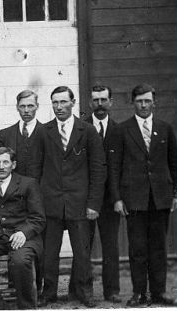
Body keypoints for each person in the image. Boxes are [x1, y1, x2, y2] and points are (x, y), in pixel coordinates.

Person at [31, 86, 105, 307]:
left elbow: (98, 169)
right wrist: (37, 204)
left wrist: (93, 203)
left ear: (73, 103)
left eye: (63, 102)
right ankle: (49, 292)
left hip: (80, 204)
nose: (59, 107)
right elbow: (35, 169)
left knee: (82, 253)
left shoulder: (88, 131)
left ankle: (84, 291)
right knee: (49, 253)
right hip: (50, 203)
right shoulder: (44, 131)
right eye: (55, 102)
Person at [108, 84, 177, 306]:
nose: (144, 105)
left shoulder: (165, 128)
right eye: (139, 101)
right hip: (134, 199)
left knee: (159, 247)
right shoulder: (121, 129)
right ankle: (139, 293)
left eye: (147, 101)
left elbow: (174, 164)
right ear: (132, 103)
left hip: (160, 198)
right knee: (137, 249)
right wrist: (117, 198)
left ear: (154, 102)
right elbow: (114, 167)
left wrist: (175, 194)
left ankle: (159, 292)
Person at [0, 147, 46, 309]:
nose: (1, 166)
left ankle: (26, 306)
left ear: (13, 165)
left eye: (5, 162)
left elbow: (38, 218)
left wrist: (24, 232)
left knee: (20, 260)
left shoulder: (28, 184)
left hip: (25, 236)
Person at [69, 85, 122, 302]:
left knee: (110, 245)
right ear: (90, 103)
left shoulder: (120, 131)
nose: (99, 105)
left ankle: (112, 291)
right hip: (85, 198)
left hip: (110, 199)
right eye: (95, 100)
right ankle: (76, 290)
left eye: (103, 100)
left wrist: (118, 197)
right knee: (82, 246)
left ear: (111, 102)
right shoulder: (80, 128)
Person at [0, 90, 42, 177]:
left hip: (40, 189)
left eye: (30, 106)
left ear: (37, 106)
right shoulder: (5, 134)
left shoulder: (47, 132)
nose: (26, 110)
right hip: (12, 189)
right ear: (17, 107)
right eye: (22, 106)